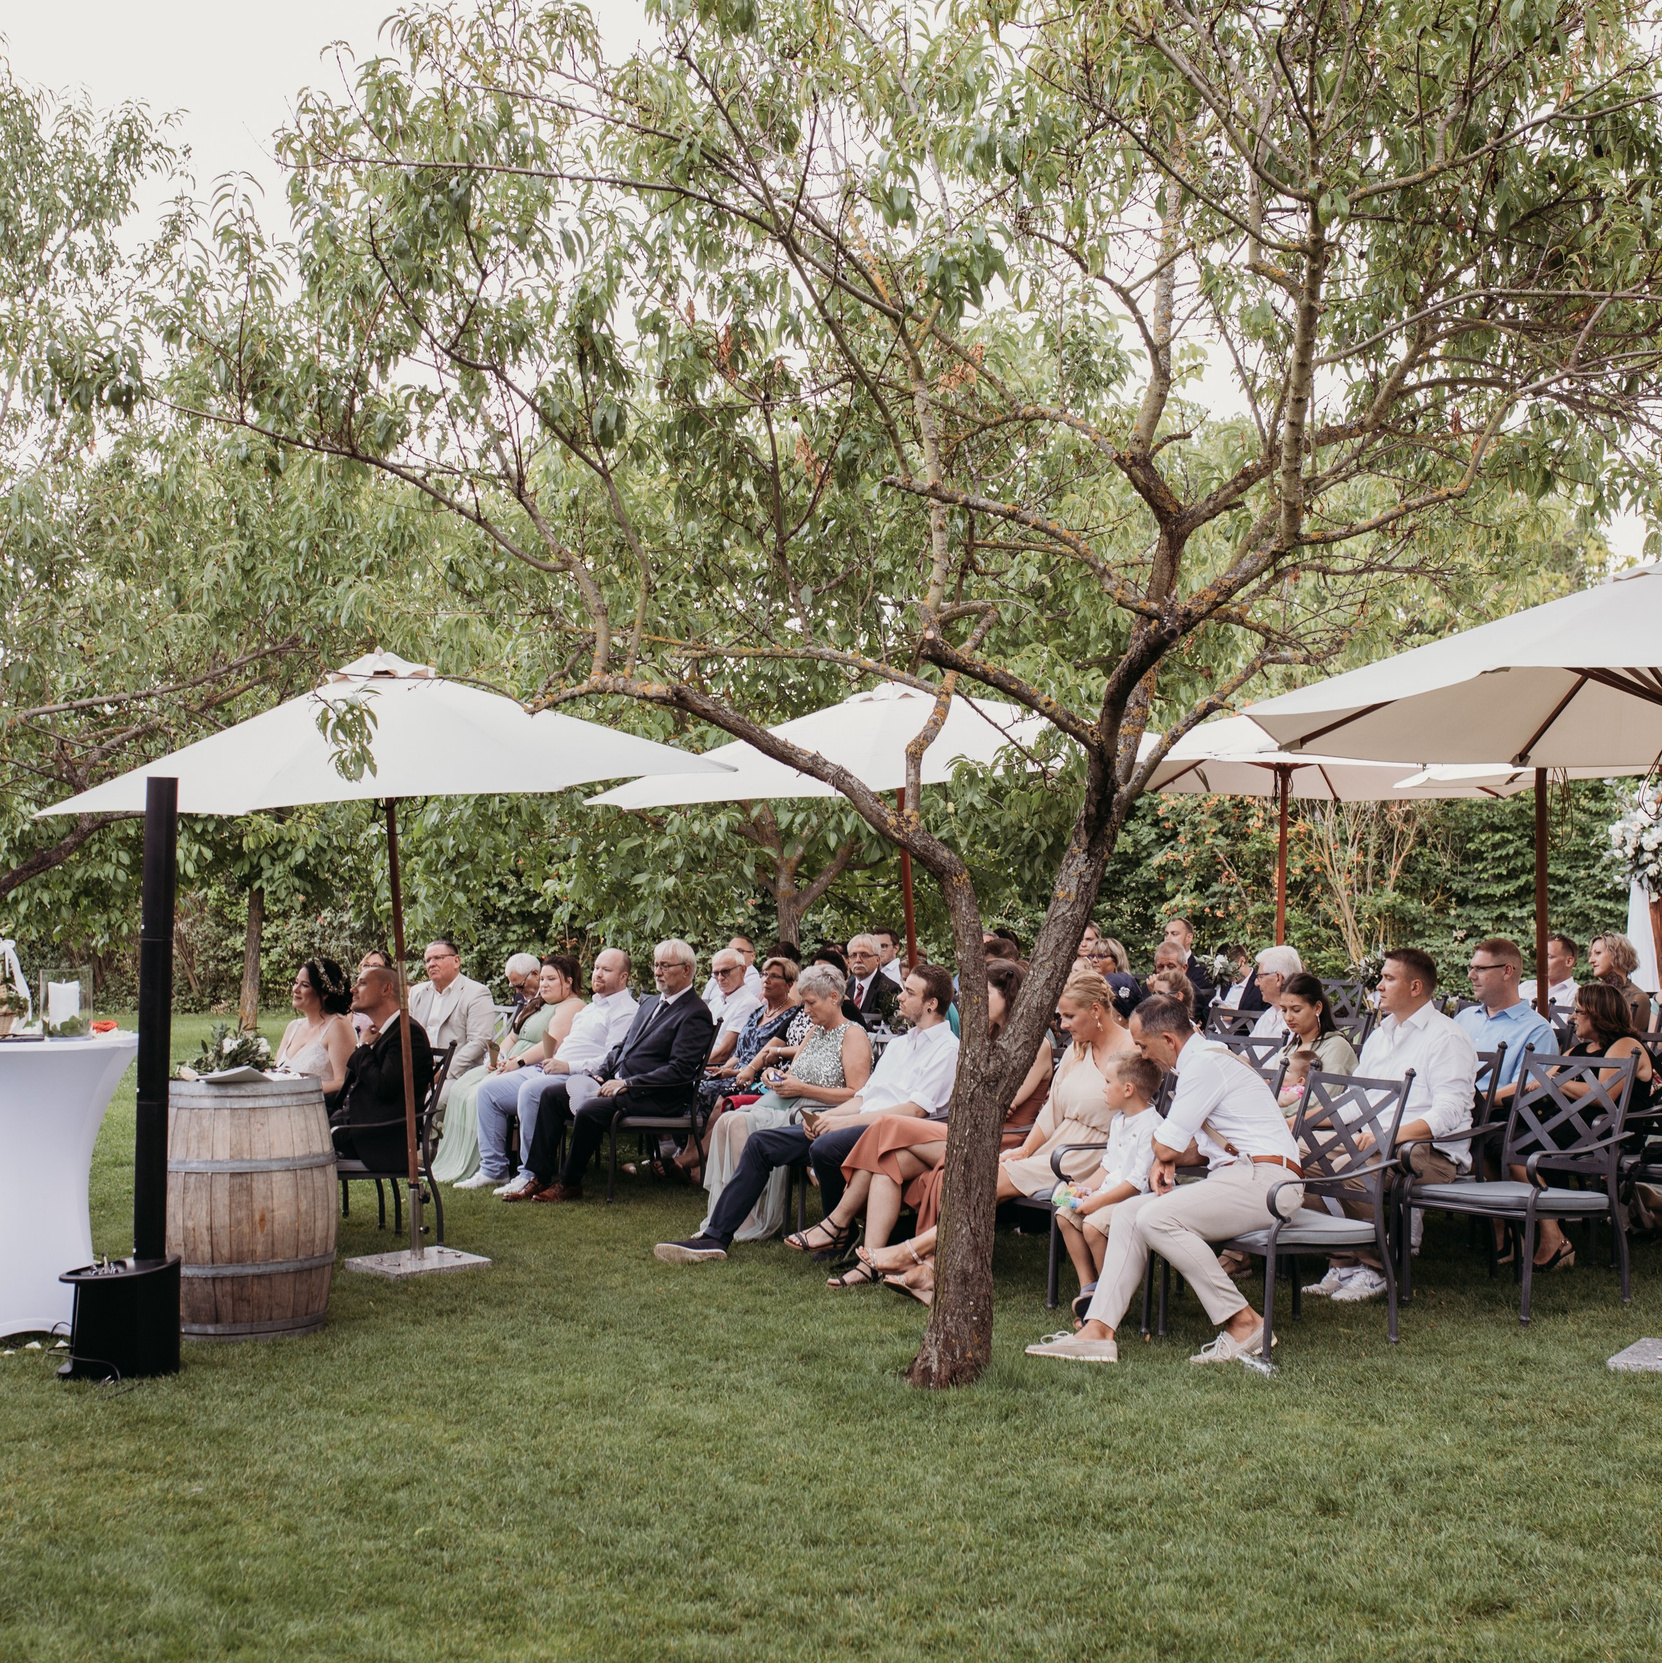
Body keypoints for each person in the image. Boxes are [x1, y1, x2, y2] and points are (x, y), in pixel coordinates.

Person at [1026, 993, 1303, 1365]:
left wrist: (1165, 1156)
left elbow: (1166, 1142)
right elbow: (1193, 1148)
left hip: (1269, 1182)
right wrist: (1168, 1157)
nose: (1142, 1055)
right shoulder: (1203, 1063)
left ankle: (1244, 1322)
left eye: (1142, 1045)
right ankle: (1098, 1330)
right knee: (1128, 1213)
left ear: (1169, 1041)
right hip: (1240, 1175)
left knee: (1155, 1216)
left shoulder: (1203, 1066)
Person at [652, 964, 960, 1263]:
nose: (901, 997)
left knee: (824, 1146)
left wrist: (839, 1121)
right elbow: (864, 1097)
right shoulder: (900, 1045)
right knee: (760, 1143)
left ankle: (839, 1232)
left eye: (909, 992)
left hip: (893, 1134)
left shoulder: (947, 1048)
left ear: (931, 1003)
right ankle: (715, 1237)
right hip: (860, 1120)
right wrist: (829, 1119)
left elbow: (913, 1111)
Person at [806, 959, 1053, 1293]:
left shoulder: (1034, 1046)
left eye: (983, 993)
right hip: (964, 1132)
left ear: (1007, 996)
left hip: (1001, 1141)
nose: (972, 1001)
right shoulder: (981, 1040)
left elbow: (1000, 1105)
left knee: (890, 1126)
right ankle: (870, 1262)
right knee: (887, 1160)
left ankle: (838, 1223)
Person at [1304, 947, 1478, 1304]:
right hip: (1370, 1139)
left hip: (1426, 1153)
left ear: (1415, 987)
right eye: (1381, 977)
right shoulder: (1382, 1033)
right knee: (1292, 1157)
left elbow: (1448, 1113)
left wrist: (1389, 1135)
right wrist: (1301, 1121)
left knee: (1345, 1169)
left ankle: (1378, 1267)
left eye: (1388, 978)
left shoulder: (1447, 1038)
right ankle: (1344, 1261)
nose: (1379, 985)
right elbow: (1356, 1098)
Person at [509, 941, 715, 1204]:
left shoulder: (695, 1013)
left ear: (687, 969)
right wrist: (603, 1074)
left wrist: (627, 1082)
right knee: (551, 1096)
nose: (657, 971)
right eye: (655, 965)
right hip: (621, 1087)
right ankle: (538, 1176)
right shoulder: (651, 1003)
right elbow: (622, 1047)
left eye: (665, 966)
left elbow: (680, 1071)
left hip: (657, 1096)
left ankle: (570, 1183)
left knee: (590, 1109)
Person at [696, 964, 872, 1241]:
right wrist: (773, 1076)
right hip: (786, 1100)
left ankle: (752, 1216)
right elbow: (793, 1074)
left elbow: (857, 1094)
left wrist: (802, 1088)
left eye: (811, 1003)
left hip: (822, 1112)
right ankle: (735, 1211)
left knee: (741, 1122)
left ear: (834, 997)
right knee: (727, 1120)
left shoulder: (853, 1035)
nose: (806, 1011)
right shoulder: (815, 1032)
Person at [465, 948, 637, 1192]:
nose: (597, 974)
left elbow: (611, 1060)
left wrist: (565, 1065)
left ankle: (529, 1173)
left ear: (623, 977)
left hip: (580, 1078)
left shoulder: (625, 1011)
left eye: (606, 970)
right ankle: (493, 1169)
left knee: (530, 1090)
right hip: (550, 1069)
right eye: (597, 968)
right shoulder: (591, 1007)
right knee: (488, 1090)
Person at [1520, 981, 1660, 1272]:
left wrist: (1557, 1083)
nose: (1572, 1017)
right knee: (1508, 1141)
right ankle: (1535, 1235)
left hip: (1609, 1133)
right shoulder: (1577, 1050)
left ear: (1599, 1014)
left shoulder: (1625, 1044)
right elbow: (1543, 1082)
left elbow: (1604, 1097)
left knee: (1520, 1154)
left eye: (1579, 1011)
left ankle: (1553, 1239)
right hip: (1572, 1124)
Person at [431, 955, 571, 1186]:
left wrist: (518, 1062)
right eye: (543, 979)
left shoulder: (569, 1006)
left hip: (533, 1066)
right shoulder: (538, 1004)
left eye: (550, 979)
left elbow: (551, 1044)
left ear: (567, 981)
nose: (544, 984)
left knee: (483, 1091)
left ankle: (491, 1166)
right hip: (514, 1061)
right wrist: (497, 1057)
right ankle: (482, 1164)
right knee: (461, 1088)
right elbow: (513, 1036)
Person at [1051, 1053, 1165, 1312]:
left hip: (1132, 1200)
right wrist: (1085, 1188)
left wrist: (1097, 1202)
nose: (1103, 1088)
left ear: (1128, 1089)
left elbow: (1136, 1184)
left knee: (1092, 1225)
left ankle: (1110, 1295)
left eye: (1107, 1081)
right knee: (1064, 1215)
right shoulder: (1118, 1120)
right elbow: (1109, 1165)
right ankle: (1089, 1287)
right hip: (1107, 1194)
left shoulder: (1151, 1126)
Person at [329, 963, 435, 1170]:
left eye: (362, 983)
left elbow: (383, 1086)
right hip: (353, 1124)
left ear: (386, 989)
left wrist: (363, 1047)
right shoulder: (386, 1031)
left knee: (297, 1136)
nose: (353, 989)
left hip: (377, 1138)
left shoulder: (408, 1034)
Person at [1452, 936, 1559, 1104]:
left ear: (1507, 971)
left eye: (1480, 968)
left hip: (1488, 1120)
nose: (1470, 975)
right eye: (1471, 968)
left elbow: (1526, 1087)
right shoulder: (1464, 1017)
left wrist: (1465, 1103)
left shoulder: (1537, 1030)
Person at [407, 939, 494, 1107]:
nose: (431, 964)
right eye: (428, 960)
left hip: (457, 1072)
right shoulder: (417, 992)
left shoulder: (476, 993)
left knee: (431, 1103)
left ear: (456, 961)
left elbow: (479, 1042)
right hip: (420, 1068)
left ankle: (429, 1134)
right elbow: (408, 1034)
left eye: (438, 958)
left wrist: (442, 1071)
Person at [273, 958, 355, 1098]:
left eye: (305, 985)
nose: (295, 989)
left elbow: (343, 1082)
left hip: (319, 1109)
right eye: (296, 982)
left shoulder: (337, 1025)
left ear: (324, 993)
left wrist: (299, 1090)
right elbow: (275, 1073)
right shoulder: (293, 1026)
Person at [1277, 973, 1358, 1077]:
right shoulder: (1287, 1050)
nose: (1288, 1017)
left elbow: (1326, 1092)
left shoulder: (1336, 1047)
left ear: (1317, 1007)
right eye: (1284, 1010)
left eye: (1296, 1010)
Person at [705, 947, 763, 1069]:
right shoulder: (715, 1002)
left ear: (742, 970)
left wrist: (691, 1066)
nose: (720, 978)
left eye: (725, 971)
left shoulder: (748, 1004)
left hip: (718, 1071)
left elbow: (723, 1053)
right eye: (716, 973)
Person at [1589, 932, 1650, 1030]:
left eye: (1598, 953)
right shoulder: (1588, 993)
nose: (1591, 960)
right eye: (1591, 954)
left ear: (1617, 954)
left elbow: (1629, 1040)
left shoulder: (1638, 998)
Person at [1162, 916, 1215, 1020]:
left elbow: (1196, 1008)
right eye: (1166, 934)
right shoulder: (1159, 968)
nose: (1168, 938)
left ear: (1189, 938)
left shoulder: (1201, 971)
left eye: (1174, 934)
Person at [846, 934, 900, 1027]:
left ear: (877, 960)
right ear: (848, 960)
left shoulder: (889, 989)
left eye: (864, 955)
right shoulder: (845, 988)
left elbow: (896, 1028)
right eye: (853, 955)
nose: (858, 960)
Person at [1248, 946, 1303, 1039]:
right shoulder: (1268, 1015)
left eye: (1260, 976)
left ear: (1278, 978)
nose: (1256, 983)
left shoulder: (1298, 1021)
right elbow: (1246, 1051)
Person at [1519, 933, 1579, 1012]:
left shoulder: (1576, 994)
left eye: (1549, 957)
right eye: (1541, 956)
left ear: (1569, 961)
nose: (1542, 961)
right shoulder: (1526, 987)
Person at [702, 935, 763, 1011]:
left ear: (752, 956)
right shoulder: (718, 972)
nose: (733, 955)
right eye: (730, 950)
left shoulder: (754, 981)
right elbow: (704, 1000)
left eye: (739, 951)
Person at [1277, 1047, 1318, 1112]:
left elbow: (1284, 1101)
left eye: (1286, 1070)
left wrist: (1269, 1088)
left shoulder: (1298, 1089)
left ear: (1300, 1081)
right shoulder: (1283, 1086)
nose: (1280, 1072)